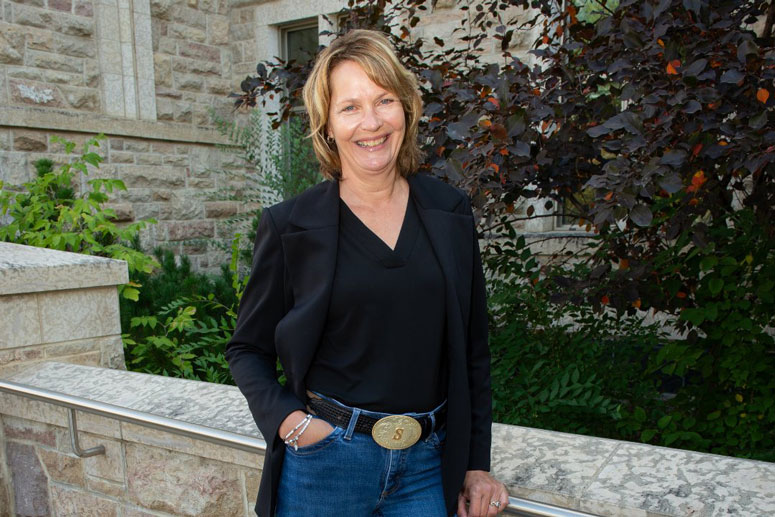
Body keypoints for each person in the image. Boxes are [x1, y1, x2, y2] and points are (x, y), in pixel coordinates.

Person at [225, 29, 508, 517]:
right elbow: (247, 349)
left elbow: (473, 350)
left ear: (407, 109)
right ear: (327, 126)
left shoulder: (450, 212)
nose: (371, 122)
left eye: (384, 101)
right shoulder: (290, 226)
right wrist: (294, 424)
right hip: (326, 466)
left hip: (427, 467)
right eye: (350, 107)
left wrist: (475, 463)